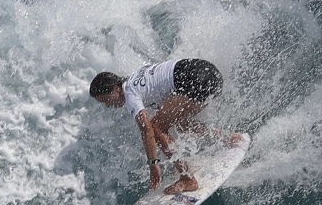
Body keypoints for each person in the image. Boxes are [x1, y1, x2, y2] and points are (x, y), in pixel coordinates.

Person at [89, 59, 241, 195]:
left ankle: (188, 179)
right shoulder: (134, 79)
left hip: (195, 80)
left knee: (157, 127)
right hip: (208, 72)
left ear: (115, 89)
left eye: (106, 100)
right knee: (181, 125)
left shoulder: (129, 94)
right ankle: (226, 137)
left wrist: (153, 164)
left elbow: (147, 130)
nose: (108, 105)